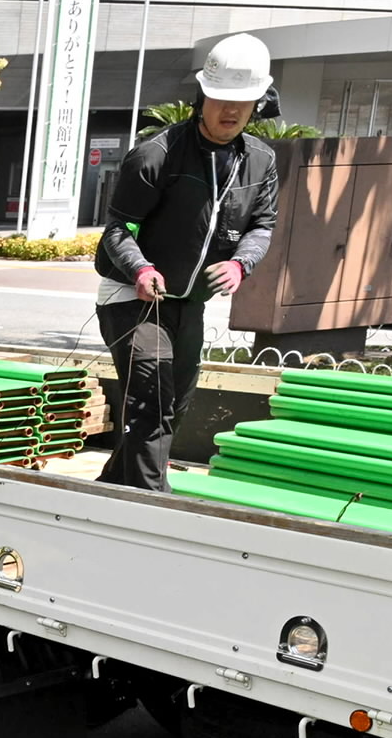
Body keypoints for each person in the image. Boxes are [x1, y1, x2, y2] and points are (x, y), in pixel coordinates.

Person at [95, 31, 281, 491]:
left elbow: (263, 226)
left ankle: (109, 489)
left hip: (189, 302)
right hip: (131, 296)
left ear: (259, 102)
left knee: (173, 403)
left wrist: (241, 264)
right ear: (203, 95)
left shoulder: (260, 161)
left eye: (243, 102)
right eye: (220, 99)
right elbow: (120, 229)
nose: (230, 111)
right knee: (151, 398)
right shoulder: (156, 155)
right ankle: (153, 505)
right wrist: (140, 268)